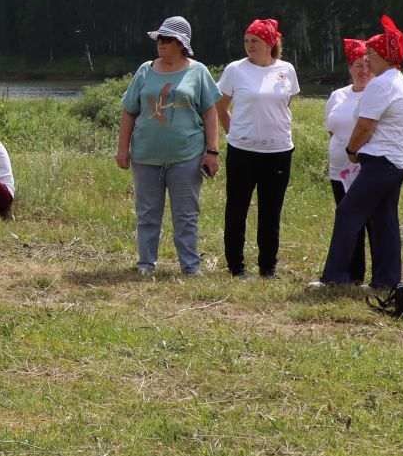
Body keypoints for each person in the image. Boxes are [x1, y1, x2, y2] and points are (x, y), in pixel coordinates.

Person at [314, 16, 403, 290]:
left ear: (385, 55)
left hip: (381, 161)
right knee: (384, 220)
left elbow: (365, 125)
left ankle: (335, 277)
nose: (367, 61)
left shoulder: (381, 84)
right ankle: (386, 280)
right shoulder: (399, 80)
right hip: (397, 161)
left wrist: (351, 149)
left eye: (371, 55)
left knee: (348, 212)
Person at [116, 16, 220, 276]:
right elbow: (129, 111)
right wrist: (122, 149)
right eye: (159, 39)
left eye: (167, 39)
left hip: (187, 156)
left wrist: (212, 151)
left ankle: (190, 266)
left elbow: (210, 113)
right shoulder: (144, 70)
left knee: (186, 215)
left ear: (181, 44)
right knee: (147, 213)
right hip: (146, 156)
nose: (161, 44)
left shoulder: (198, 71)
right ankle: (146, 264)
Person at [216, 19, 301, 278]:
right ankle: (236, 267)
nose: (249, 46)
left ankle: (267, 267)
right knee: (237, 208)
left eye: (255, 41)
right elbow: (220, 106)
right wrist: (234, 132)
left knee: (271, 211)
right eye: (246, 41)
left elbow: (285, 104)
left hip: (278, 151)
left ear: (270, 43)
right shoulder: (235, 69)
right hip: (243, 151)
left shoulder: (286, 69)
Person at [321, 41, 375, 285]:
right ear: (349, 68)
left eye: (367, 64)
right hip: (340, 170)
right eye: (357, 65)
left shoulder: (378, 92)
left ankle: (380, 276)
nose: (363, 70)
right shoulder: (337, 95)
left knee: (371, 222)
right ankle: (353, 275)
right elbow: (333, 130)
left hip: (368, 169)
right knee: (346, 221)